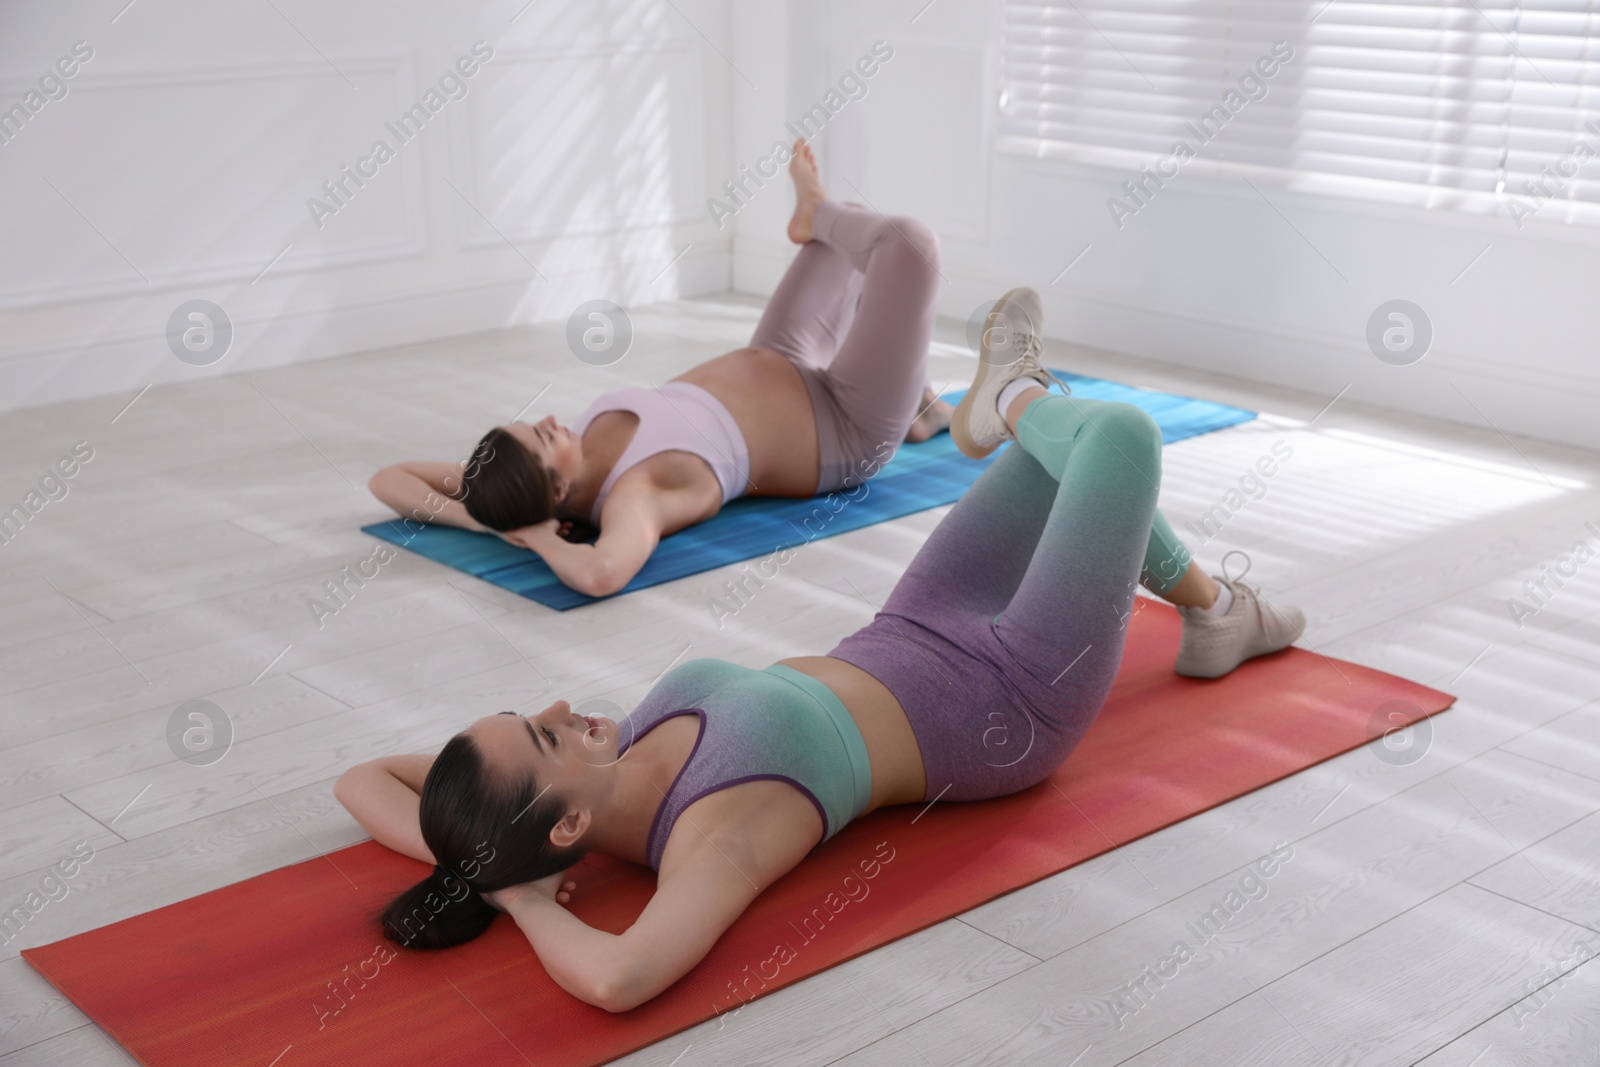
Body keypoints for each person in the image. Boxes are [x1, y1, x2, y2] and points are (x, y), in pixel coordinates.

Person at [333, 288, 1307, 1012]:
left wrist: (480, 871)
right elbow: (622, 976)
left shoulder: (607, 759)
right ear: (560, 830)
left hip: (910, 621)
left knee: (1059, 464)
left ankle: (1219, 608)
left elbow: (362, 777)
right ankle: (1013, 396)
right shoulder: (712, 840)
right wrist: (526, 906)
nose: (553, 707)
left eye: (526, 717)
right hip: (1007, 700)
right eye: (546, 741)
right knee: (1117, 440)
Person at [367, 138, 953, 597]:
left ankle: (920, 411)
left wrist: (483, 522)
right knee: (909, 246)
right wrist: (535, 540)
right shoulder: (635, 495)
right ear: (561, 489)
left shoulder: (528, 476)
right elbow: (601, 574)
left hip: (786, 354)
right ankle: (900, 397)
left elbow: (388, 478)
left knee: (843, 229)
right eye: (546, 436)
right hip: (848, 425)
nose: (551, 418)